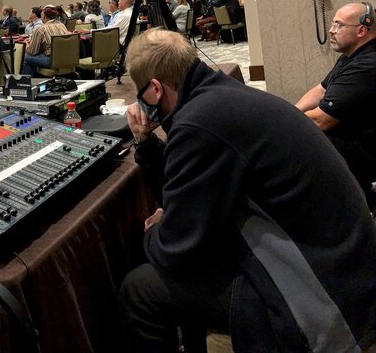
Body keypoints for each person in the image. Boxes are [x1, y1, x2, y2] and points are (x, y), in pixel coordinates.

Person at [117, 29, 376, 351]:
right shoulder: (223, 96)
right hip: (347, 259)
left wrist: (155, 232)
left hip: (322, 288)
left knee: (139, 289)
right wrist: (146, 142)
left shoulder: (198, 124)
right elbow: (190, 192)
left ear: (155, 89)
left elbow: (176, 250)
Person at [295, 3, 376, 208]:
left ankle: (354, 206)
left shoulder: (366, 66)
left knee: (302, 143)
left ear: (361, 30)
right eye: (332, 24)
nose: (331, 30)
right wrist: (293, 112)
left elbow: (321, 120)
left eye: (339, 25)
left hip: (369, 149)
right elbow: (321, 90)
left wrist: (284, 125)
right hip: (356, 135)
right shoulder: (352, 54)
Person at [22, 7, 70, 75]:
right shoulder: (62, 25)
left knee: (26, 57)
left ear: (44, 16)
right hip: (67, 58)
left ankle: (25, 83)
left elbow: (32, 52)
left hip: (52, 60)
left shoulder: (41, 29)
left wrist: (27, 45)